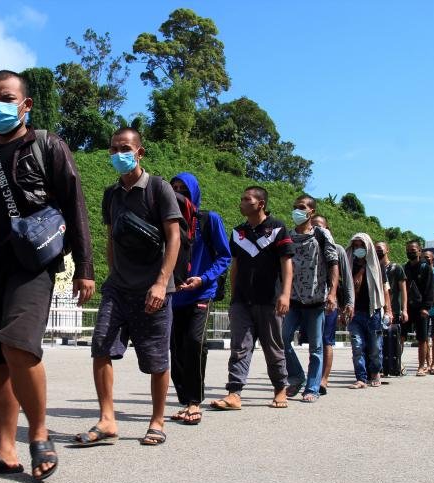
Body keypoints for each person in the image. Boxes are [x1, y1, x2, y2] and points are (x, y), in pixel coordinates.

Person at [0, 70, 95, 481]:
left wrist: (84, 268)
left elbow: (75, 206)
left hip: (32, 266)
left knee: (18, 346)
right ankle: (4, 450)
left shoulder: (47, 146)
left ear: (25, 104)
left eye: (5, 96)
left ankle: (38, 434)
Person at [75, 128, 180, 447]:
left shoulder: (159, 188)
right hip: (118, 288)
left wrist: (161, 283)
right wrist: (110, 274)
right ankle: (107, 420)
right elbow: (111, 238)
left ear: (139, 152)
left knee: (157, 359)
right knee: (101, 347)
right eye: (113, 149)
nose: (118, 153)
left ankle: (157, 421)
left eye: (125, 148)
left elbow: (174, 237)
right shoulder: (111, 195)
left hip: (153, 290)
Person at [209, 186, 293, 410]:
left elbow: (287, 264)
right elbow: (235, 265)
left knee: (273, 347)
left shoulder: (278, 229)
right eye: (242, 199)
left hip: (270, 300)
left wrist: (285, 294)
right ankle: (234, 393)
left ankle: (280, 389)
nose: (242, 203)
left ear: (261, 204)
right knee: (240, 347)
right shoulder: (238, 232)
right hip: (242, 301)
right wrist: (233, 296)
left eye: (247, 200)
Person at [168, 173, 231, 425]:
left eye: (184, 188)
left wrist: (204, 279)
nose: (178, 193)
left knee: (195, 342)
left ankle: (195, 402)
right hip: (174, 295)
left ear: (194, 192)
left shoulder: (209, 220)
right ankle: (185, 401)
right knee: (176, 349)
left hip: (201, 292)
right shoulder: (167, 221)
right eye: (174, 188)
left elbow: (224, 257)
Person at [282, 194, 339, 403]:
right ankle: (296, 376)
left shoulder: (321, 235)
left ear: (311, 211)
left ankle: (312, 388)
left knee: (316, 347)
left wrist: (332, 293)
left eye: (302, 207)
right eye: (295, 206)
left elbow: (334, 263)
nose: (297, 210)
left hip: (316, 300)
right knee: (282, 339)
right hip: (293, 299)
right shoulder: (287, 235)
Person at [311, 215, 353, 395]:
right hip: (307, 301)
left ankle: (323, 380)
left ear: (328, 230)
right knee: (313, 342)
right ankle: (310, 377)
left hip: (328, 302)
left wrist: (349, 302)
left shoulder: (338, 249)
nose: (317, 230)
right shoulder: (302, 247)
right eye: (313, 226)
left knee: (326, 341)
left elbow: (347, 278)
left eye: (320, 227)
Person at [346, 233, 392, 388]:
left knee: (375, 346)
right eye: (356, 246)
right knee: (357, 346)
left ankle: (375, 373)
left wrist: (388, 310)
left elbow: (385, 290)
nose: (358, 249)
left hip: (373, 312)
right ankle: (361, 377)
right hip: (354, 312)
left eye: (361, 246)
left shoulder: (376, 266)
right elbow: (344, 287)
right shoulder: (348, 264)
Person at [402, 241, 434, 376]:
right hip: (407, 307)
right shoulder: (405, 267)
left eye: (413, 250)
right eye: (408, 250)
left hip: (421, 309)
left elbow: (430, 289)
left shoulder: (425, 267)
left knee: (422, 339)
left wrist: (426, 307)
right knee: (401, 336)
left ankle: (421, 367)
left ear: (419, 251)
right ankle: (397, 363)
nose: (411, 252)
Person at [376, 241, 408, 375]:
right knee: (380, 338)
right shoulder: (374, 267)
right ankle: (382, 365)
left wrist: (404, 309)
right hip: (378, 309)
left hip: (393, 309)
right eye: (376, 249)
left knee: (394, 338)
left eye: (380, 249)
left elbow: (403, 290)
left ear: (387, 249)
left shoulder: (396, 268)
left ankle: (396, 364)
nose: (378, 251)